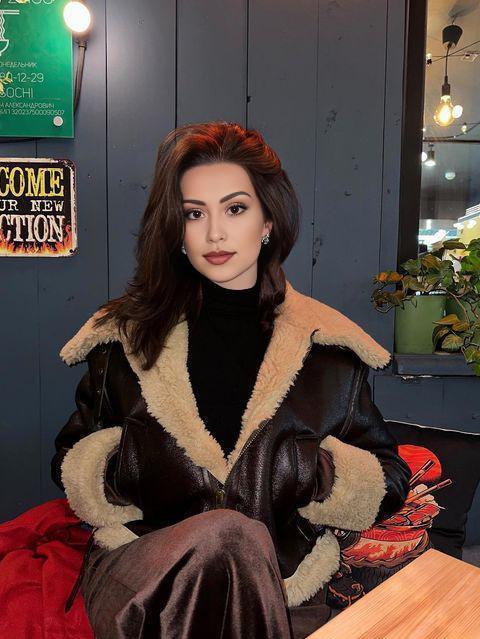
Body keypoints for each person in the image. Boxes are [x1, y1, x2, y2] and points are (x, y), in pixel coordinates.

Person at [51, 121, 412, 639]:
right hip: (146, 575)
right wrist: (131, 464)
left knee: (236, 541)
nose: (214, 233)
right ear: (176, 230)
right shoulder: (125, 337)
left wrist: (305, 469)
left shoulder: (327, 350)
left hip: (280, 584)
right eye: (194, 214)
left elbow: (389, 477)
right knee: (225, 535)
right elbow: (69, 458)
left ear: (268, 221)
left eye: (235, 209)